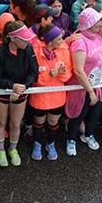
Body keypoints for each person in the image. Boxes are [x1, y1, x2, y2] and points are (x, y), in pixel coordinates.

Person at [0, 21, 39, 167]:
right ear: (12, 38)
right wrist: (12, 86)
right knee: (1, 122)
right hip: (2, 92)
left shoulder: (28, 49)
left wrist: (24, 86)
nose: (27, 41)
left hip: (21, 91)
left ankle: (13, 149)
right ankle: (1, 150)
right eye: (23, 39)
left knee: (16, 124)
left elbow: (34, 72)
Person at [65, 8, 102, 156]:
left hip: (97, 85)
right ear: (88, 23)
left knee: (95, 113)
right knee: (78, 115)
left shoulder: (98, 37)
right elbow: (78, 70)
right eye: (96, 21)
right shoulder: (79, 42)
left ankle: (88, 134)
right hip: (81, 88)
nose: (100, 23)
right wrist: (90, 91)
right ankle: (71, 139)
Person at [29, 24, 73, 160]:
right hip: (40, 96)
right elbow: (33, 76)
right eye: (59, 39)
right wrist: (49, 75)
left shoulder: (64, 50)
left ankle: (51, 143)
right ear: (49, 40)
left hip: (58, 95)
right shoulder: (35, 51)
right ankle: (37, 143)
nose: (62, 41)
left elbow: (68, 72)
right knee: (39, 121)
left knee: (54, 122)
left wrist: (61, 74)